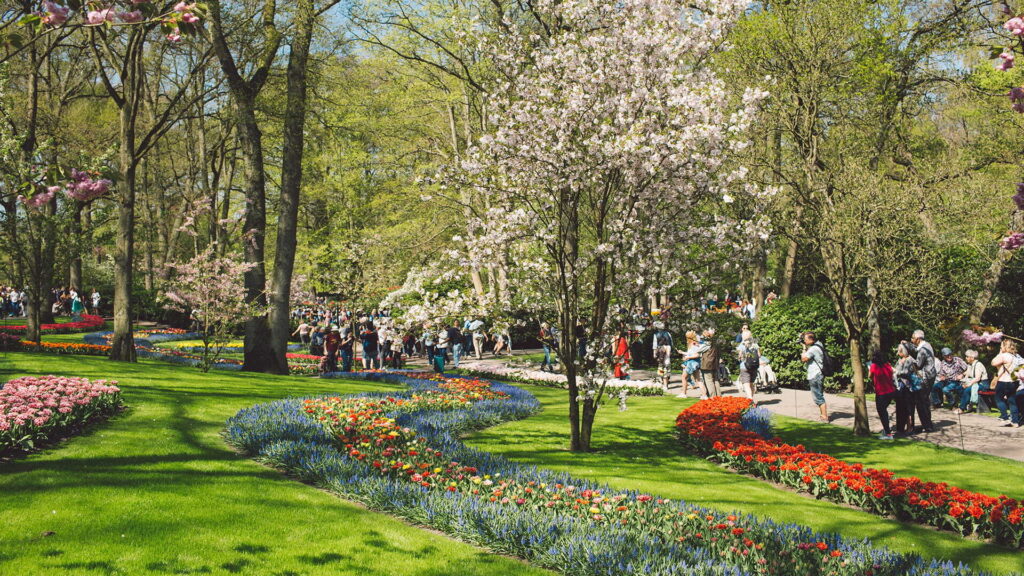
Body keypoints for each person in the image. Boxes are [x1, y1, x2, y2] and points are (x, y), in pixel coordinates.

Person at [800, 331, 829, 423]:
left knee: (818, 396)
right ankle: (822, 415)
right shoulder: (819, 345)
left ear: (811, 340)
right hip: (818, 374)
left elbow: (803, 359)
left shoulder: (813, 349)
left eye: (805, 339)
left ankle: (824, 417)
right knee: (819, 395)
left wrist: (804, 348)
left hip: (815, 375)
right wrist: (803, 335)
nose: (804, 341)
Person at [910, 330, 935, 433]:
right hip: (931, 375)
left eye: (912, 338)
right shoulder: (927, 345)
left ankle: (927, 426)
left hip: (926, 377)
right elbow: (915, 348)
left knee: (921, 402)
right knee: (924, 401)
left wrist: (910, 360)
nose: (911, 340)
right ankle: (927, 424)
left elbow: (918, 365)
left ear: (918, 339)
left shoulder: (923, 350)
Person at [869, 350, 897, 440]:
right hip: (891, 391)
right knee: (884, 410)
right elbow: (892, 373)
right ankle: (886, 430)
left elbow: (870, 376)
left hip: (881, 392)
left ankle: (888, 434)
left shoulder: (873, 366)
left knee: (882, 411)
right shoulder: (887, 364)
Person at [992, 339, 1021, 427]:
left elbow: (993, 363)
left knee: (998, 399)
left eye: (1001, 346)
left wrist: (1000, 353)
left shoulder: (1004, 356)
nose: (1000, 347)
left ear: (1005, 347)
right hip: (1013, 382)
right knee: (1012, 401)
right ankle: (1015, 421)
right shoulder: (1016, 357)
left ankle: (1005, 418)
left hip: (1004, 381)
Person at [894, 342, 919, 436]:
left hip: (909, 387)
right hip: (900, 386)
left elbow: (907, 372)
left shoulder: (910, 360)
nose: (897, 352)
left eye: (899, 351)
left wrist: (896, 371)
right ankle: (900, 428)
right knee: (900, 407)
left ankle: (910, 428)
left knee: (909, 408)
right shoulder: (900, 360)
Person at [956, 349, 988, 414]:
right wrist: (962, 377)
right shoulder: (970, 365)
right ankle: (968, 403)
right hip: (975, 383)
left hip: (982, 384)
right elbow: (967, 373)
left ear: (972, 358)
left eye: (967, 356)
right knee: (959, 388)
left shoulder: (978, 365)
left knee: (967, 390)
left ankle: (962, 408)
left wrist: (968, 385)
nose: (966, 358)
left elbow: (977, 378)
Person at [696, 329, 721, 398]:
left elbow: (698, 350)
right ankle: (719, 397)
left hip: (707, 364)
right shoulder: (717, 341)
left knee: (709, 381)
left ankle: (713, 398)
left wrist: (698, 344)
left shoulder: (708, 342)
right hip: (715, 364)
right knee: (715, 380)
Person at [652, 322, 673, 390]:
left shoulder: (656, 335)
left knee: (661, 366)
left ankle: (663, 383)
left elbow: (655, 345)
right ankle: (665, 383)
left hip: (661, 350)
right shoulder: (668, 333)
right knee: (666, 366)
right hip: (668, 350)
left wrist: (654, 353)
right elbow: (671, 343)